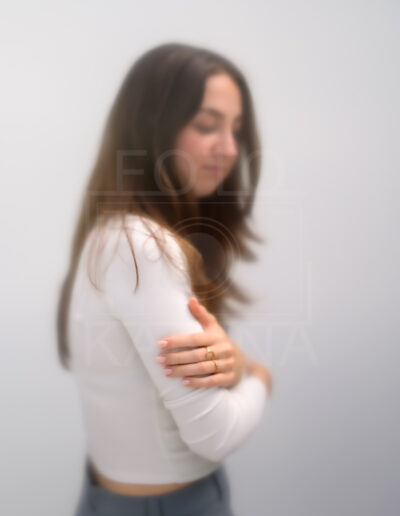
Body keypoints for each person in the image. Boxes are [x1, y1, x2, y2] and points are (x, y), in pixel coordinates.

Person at [56, 41, 273, 516]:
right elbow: (216, 435)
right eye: (207, 125)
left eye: (236, 130)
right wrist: (259, 376)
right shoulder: (143, 247)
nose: (229, 149)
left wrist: (233, 363)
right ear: (152, 127)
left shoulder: (111, 234)